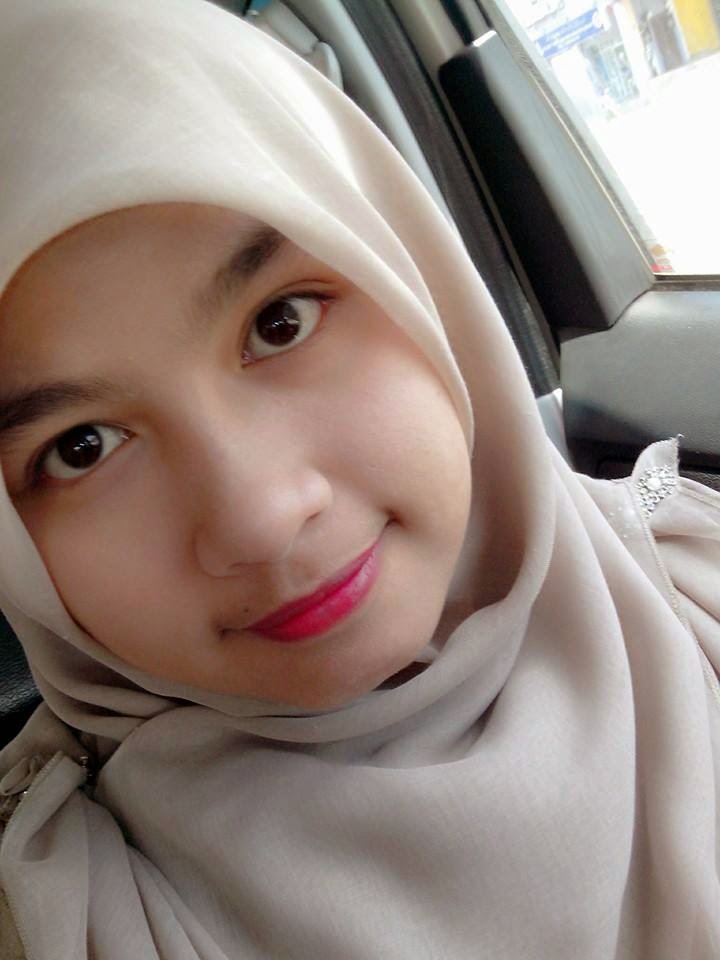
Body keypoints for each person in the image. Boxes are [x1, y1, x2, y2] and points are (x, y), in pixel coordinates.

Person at [0, 1, 718, 957]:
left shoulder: (699, 593)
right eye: (83, 446)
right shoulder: (64, 914)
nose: (260, 518)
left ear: (415, 277)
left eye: (282, 322)